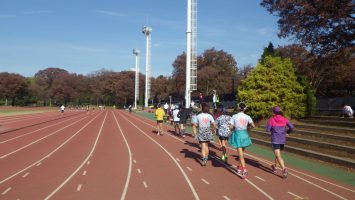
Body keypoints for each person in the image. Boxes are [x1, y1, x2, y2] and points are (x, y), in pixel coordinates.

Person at [266, 106, 294, 179]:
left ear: (274, 112)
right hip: (282, 139)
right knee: (278, 154)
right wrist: (287, 132)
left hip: (275, 139)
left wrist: (272, 128)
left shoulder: (271, 119)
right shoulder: (285, 119)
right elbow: (292, 127)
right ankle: (275, 167)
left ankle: (284, 169)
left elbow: (267, 130)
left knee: (278, 155)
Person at [229, 102, 255, 179]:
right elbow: (253, 125)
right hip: (245, 134)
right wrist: (248, 129)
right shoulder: (247, 116)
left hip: (238, 135)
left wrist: (231, 128)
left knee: (240, 154)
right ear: (244, 108)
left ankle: (244, 169)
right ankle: (239, 167)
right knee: (241, 153)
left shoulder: (234, 116)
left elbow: (230, 126)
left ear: (238, 108)